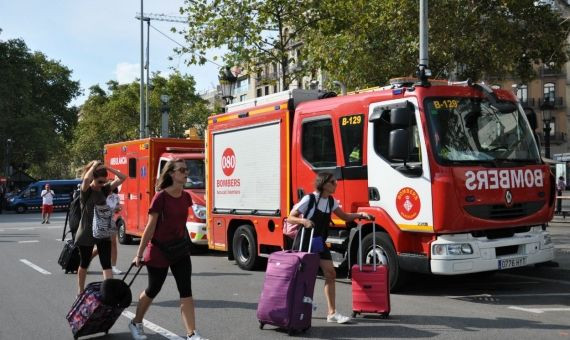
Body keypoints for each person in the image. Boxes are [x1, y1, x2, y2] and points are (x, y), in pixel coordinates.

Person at [129, 159, 208, 340]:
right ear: (172, 173)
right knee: (153, 289)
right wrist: (139, 254)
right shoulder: (161, 197)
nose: (186, 173)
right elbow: (150, 227)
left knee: (185, 290)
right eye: (182, 170)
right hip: (159, 250)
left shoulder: (186, 196)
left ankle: (191, 333)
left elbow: (180, 224)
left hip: (180, 250)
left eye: (186, 170)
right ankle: (136, 322)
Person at [286, 172, 372, 324]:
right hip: (305, 242)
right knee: (302, 276)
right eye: (333, 182)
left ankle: (332, 313)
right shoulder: (309, 199)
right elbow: (290, 217)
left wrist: (361, 214)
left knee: (331, 273)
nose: (336, 184)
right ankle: (293, 306)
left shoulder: (330, 201)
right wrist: (304, 221)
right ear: (324, 183)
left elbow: (344, 217)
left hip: (318, 241)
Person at [74, 160, 126, 295]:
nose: (102, 184)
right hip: (86, 233)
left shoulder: (105, 188)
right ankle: (80, 290)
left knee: (106, 264)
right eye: (100, 182)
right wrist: (93, 166)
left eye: (104, 181)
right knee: (84, 263)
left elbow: (123, 177)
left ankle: (110, 293)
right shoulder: (86, 191)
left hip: (103, 231)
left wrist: (107, 167)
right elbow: (86, 179)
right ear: (93, 179)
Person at [91, 186, 122, 275]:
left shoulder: (116, 196)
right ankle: (85, 262)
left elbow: (117, 207)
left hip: (110, 222)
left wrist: (118, 208)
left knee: (113, 244)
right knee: (101, 247)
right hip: (100, 223)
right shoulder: (102, 196)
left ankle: (113, 267)